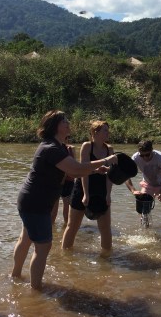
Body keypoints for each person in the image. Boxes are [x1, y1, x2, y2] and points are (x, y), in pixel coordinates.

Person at [11, 110, 117, 290]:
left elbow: (73, 171)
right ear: (54, 126)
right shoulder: (51, 148)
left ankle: (15, 277)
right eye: (64, 121)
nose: (68, 123)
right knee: (43, 246)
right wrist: (105, 161)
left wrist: (93, 170)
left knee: (26, 239)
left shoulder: (57, 146)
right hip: (37, 202)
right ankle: (36, 291)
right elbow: (75, 169)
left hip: (31, 200)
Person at [61, 120, 115, 255]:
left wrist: (108, 195)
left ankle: (106, 259)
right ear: (95, 132)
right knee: (72, 226)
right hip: (82, 188)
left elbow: (110, 176)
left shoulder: (110, 149)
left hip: (102, 190)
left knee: (105, 228)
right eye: (105, 131)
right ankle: (65, 256)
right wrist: (86, 194)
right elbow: (83, 171)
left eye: (108, 130)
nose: (108, 133)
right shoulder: (87, 146)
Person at [125, 140, 161, 228]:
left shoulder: (160, 157)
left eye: (147, 155)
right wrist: (133, 190)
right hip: (148, 184)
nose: (145, 158)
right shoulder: (135, 157)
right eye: (142, 155)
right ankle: (145, 232)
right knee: (144, 211)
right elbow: (126, 175)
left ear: (152, 150)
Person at [51, 143, 75, 225]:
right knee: (54, 209)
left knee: (66, 208)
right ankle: (53, 230)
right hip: (58, 181)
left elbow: (73, 164)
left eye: (68, 137)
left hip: (68, 181)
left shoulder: (71, 148)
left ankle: (66, 227)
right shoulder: (56, 148)